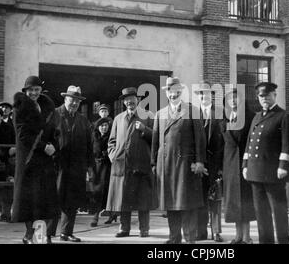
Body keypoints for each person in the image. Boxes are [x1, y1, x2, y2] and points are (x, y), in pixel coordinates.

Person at [151, 77, 207, 244]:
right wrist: (154, 163)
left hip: (185, 166)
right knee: (171, 204)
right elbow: (155, 141)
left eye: (175, 90)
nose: (172, 93)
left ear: (180, 91)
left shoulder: (192, 111)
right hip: (165, 166)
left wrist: (200, 162)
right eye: (169, 91)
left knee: (187, 204)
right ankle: (174, 238)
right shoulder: (160, 114)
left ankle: (190, 239)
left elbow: (200, 140)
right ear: (166, 93)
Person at [242, 82, 289, 244]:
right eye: (261, 96)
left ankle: (283, 241)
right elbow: (249, 143)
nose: (264, 99)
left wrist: (283, 167)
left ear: (274, 95)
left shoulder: (283, 116)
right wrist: (245, 165)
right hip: (255, 172)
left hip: (274, 173)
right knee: (261, 213)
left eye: (268, 95)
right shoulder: (257, 117)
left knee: (278, 212)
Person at [12, 76, 59, 244]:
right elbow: (22, 134)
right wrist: (42, 146)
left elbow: (53, 129)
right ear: (25, 91)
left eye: (36, 90)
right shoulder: (20, 108)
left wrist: (53, 144)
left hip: (44, 160)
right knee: (29, 200)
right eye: (30, 90)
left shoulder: (47, 106)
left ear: (41, 90)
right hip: (29, 159)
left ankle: (42, 235)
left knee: (44, 199)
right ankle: (29, 235)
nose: (33, 93)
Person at [106, 87, 155, 238]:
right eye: (126, 99)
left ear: (138, 100)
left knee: (143, 200)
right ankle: (124, 228)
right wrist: (113, 156)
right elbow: (111, 142)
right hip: (122, 165)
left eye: (132, 98)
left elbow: (156, 139)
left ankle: (144, 229)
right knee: (123, 198)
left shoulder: (147, 116)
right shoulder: (118, 118)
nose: (129, 102)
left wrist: (145, 129)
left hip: (141, 164)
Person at [49, 85, 94, 242]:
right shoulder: (54, 115)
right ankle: (48, 234)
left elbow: (89, 146)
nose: (74, 103)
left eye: (77, 101)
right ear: (65, 99)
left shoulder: (83, 120)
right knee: (55, 199)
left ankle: (66, 232)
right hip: (57, 166)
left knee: (72, 201)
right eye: (72, 100)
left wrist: (89, 167)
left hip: (76, 167)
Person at [221, 89, 256, 244]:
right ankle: (238, 235)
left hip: (244, 165)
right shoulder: (224, 120)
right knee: (234, 202)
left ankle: (247, 236)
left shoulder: (250, 118)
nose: (233, 102)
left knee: (245, 200)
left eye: (236, 99)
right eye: (230, 100)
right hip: (229, 166)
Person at [195, 82, 224, 242]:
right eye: (200, 94)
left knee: (216, 199)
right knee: (199, 198)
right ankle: (201, 231)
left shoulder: (219, 113)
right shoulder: (193, 114)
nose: (203, 96)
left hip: (215, 164)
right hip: (198, 164)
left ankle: (216, 232)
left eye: (206, 93)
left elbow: (224, 142)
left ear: (211, 95)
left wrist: (220, 167)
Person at [89, 117, 112, 227]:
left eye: (106, 126)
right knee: (95, 191)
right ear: (98, 127)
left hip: (107, 167)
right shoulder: (93, 136)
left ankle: (106, 215)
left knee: (105, 190)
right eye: (102, 126)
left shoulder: (111, 136)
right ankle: (96, 215)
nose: (104, 128)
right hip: (95, 166)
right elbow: (89, 151)